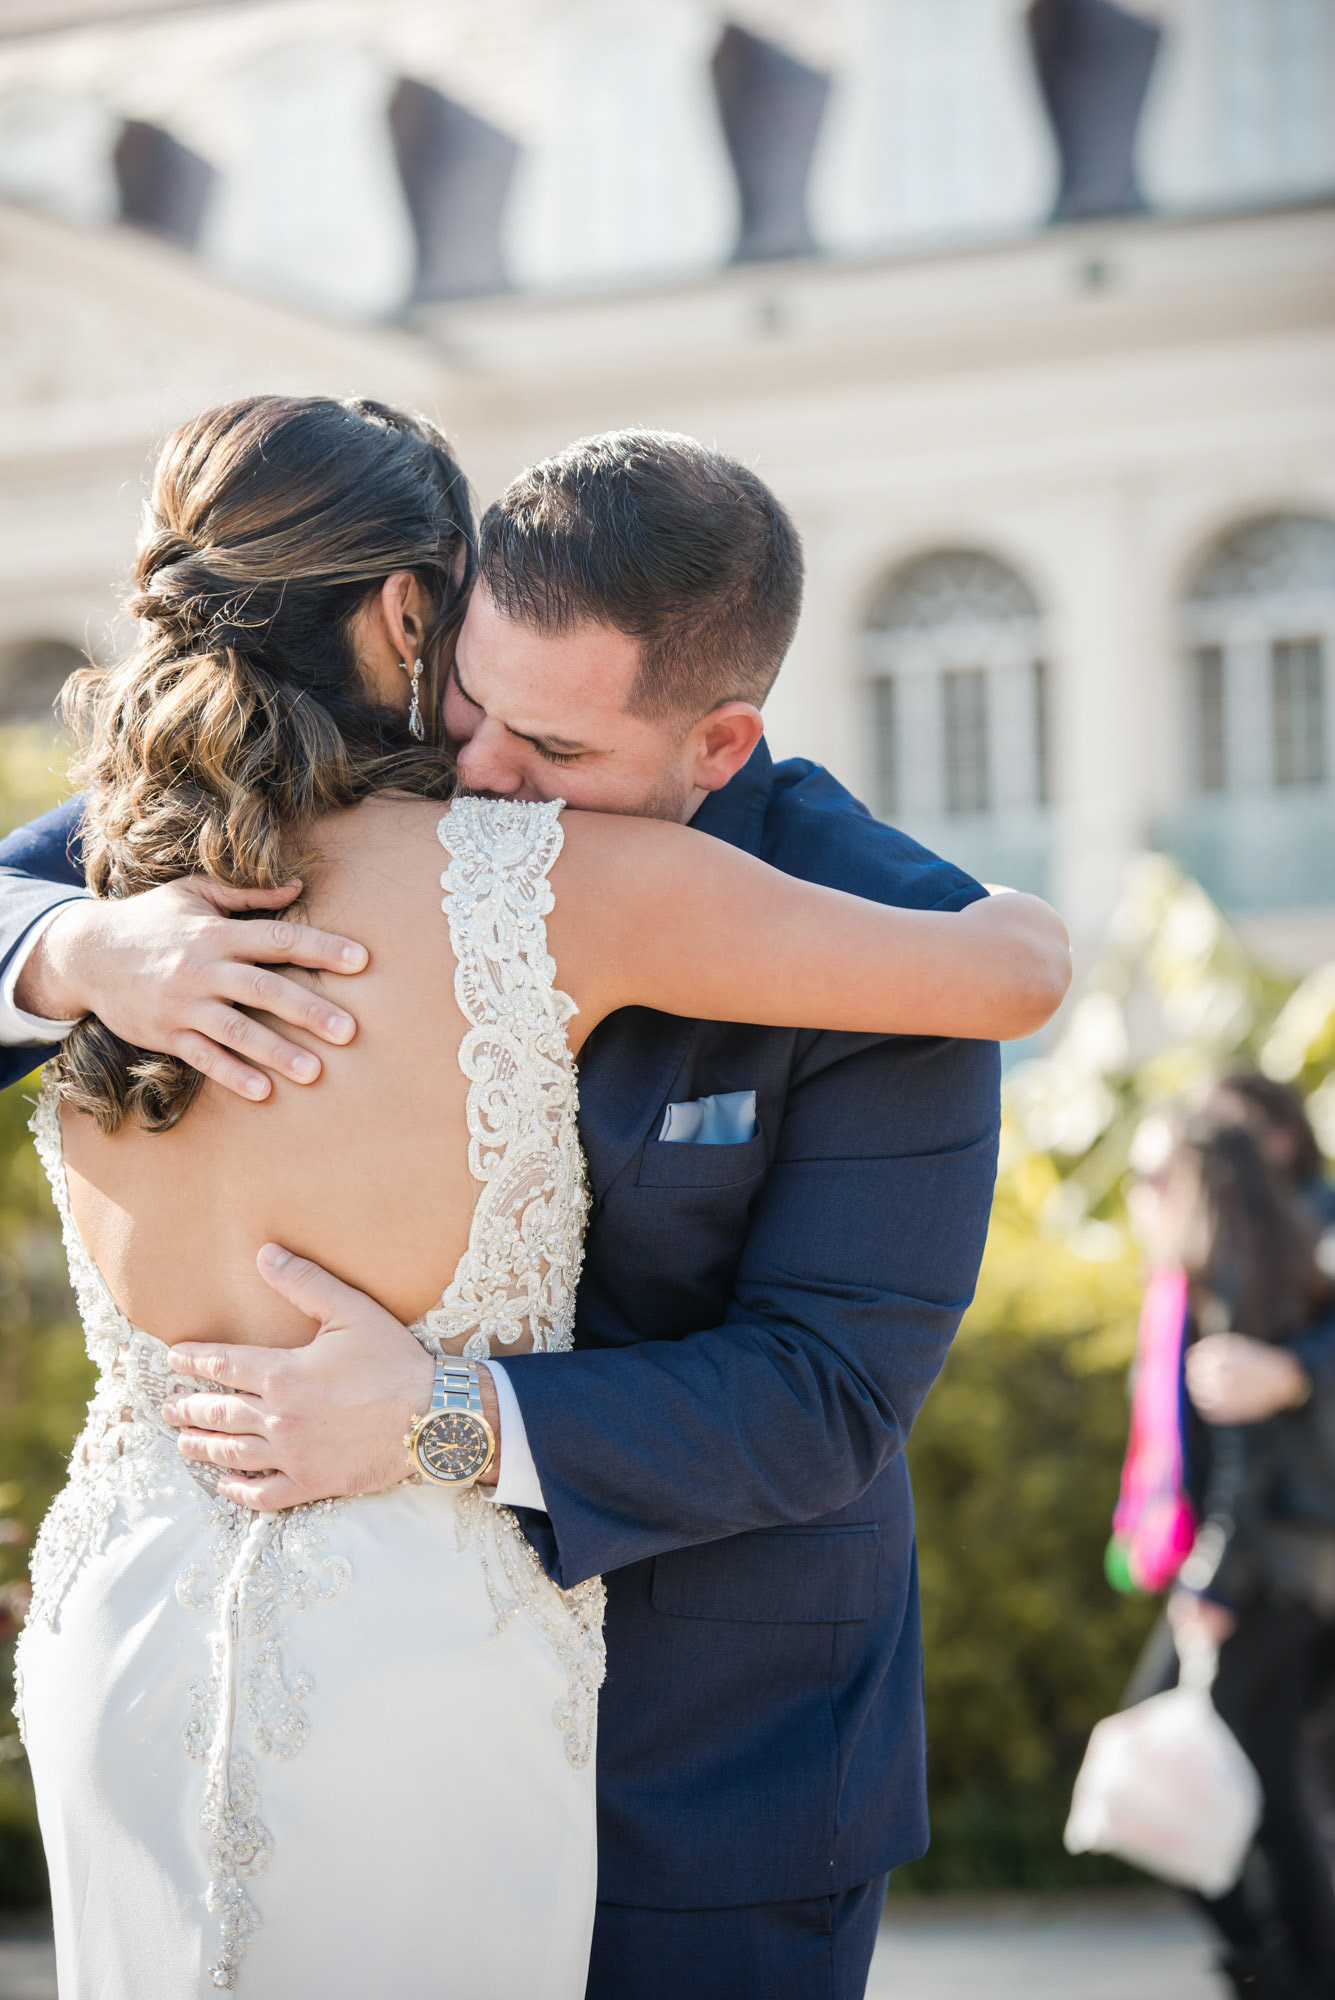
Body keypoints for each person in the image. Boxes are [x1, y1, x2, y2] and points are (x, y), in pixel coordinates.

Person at [2, 405, 1070, 2000]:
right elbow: (33, 878)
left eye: (554, 752)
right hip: (303, 1681)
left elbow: (828, 1395)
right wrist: (83, 950)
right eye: (470, 699)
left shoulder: (862, 919)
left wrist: (444, 1418)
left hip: (710, 1771)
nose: (482, 777)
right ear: (426, 621)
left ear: (716, 744)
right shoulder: (233, 824)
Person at [1124, 1113, 1335, 2000]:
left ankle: (1278, 1968)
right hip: (1284, 1571)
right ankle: (1286, 1970)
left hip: (1259, 1576)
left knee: (1152, 1770)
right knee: (1271, 1787)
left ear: (1196, 1186)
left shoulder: (1234, 1276)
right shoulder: (1270, 1268)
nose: (1136, 1197)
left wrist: (1211, 1579)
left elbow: (1244, 1458)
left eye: (1149, 1177)